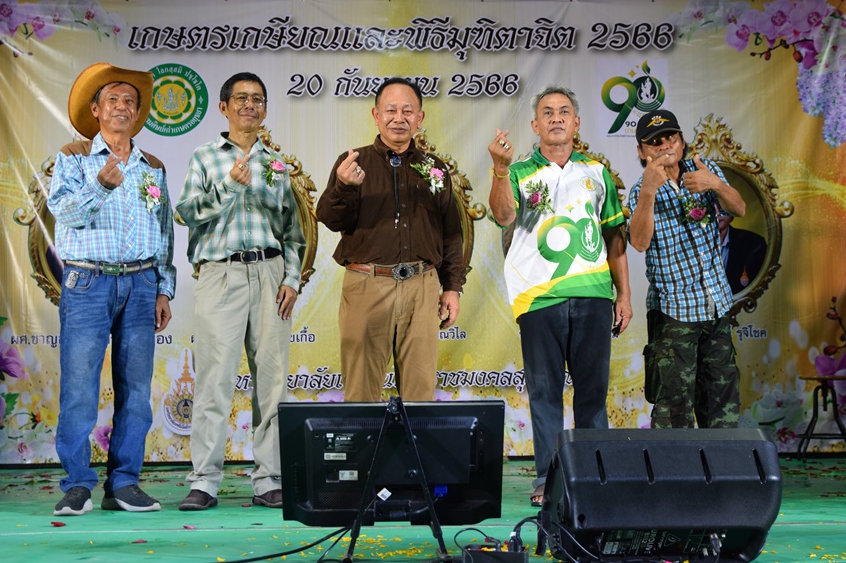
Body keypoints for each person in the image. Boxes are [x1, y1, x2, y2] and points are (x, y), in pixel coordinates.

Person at [487, 85, 632, 507]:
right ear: (535, 125)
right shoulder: (517, 172)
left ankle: (594, 475)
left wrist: (623, 295)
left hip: (593, 295)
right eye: (547, 113)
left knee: (592, 393)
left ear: (576, 123)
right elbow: (503, 216)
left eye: (563, 112)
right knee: (545, 393)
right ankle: (547, 482)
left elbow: (614, 236)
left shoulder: (597, 171)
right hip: (538, 299)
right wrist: (498, 169)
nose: (555, 118)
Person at [48, 62, 176, 515]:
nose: (122, 108)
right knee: (80, 386)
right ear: (96, 110)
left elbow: (163, 233)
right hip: (87, 281)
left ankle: (124, 484)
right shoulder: (73, 156)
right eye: (113, 101)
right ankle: (77, 484)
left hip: (141, 283)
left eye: (130, 103)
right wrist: (100, 186)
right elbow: (63, 213)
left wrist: (164, 289)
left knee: (136, 390)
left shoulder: (152, 167)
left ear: (138, 114)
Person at [176, 72, 306, 511]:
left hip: (270, 276)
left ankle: (269, 479)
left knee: (272, 385)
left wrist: (291, 278)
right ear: (224, 107)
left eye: (258, 99)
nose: (250, 105)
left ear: (265, 109)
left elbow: (293, 231)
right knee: (214, 381)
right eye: (241, 98)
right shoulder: (205, 157)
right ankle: (205, 481)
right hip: (221, 274)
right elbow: (186, 213)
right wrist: (231, 185)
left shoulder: (276, 164)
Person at [316, 77, 466, 402]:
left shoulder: (433, 169)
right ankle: (366, 455)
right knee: (360, 393)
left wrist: (451, 287)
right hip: (366, 285)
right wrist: (343, 186)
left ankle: (414, 454)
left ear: (420, 118)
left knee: (419, 394)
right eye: (391, 110)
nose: (399, 118)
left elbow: (452, 232)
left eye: (408, 111)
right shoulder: (353, 163)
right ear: (376, 114)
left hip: (422, 287)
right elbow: (328, 218)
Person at [627, 109, 746, 429]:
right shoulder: (640, 190)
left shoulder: (704, 170)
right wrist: (650, 191)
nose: (665, 146)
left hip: (716, 305)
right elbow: (638, 242)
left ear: (682, 142)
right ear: (642, 151)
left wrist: (716, 185)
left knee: (722, 400)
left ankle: (722, 473)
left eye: (671, 137)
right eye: (654, 142)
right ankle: (675, 476)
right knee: (674, 406)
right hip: (673, 312)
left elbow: (740, 208)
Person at [717, 207, 767, 295]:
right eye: (712, 209)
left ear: (731, 212)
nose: (717, 214)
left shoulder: (753, 243)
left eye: (721, 209)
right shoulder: (689, 241)